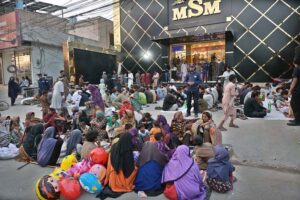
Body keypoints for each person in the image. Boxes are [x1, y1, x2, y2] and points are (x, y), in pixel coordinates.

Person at [98, 133, 137, 199]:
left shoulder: (114, 146)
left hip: (112, 174)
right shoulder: (127, 149)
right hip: (120, 176)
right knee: (136, 168)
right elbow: (129, 168)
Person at [287, 46, 300, 126]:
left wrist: (290, 90)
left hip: (297, 91)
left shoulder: (296, 69)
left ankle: (297, 120)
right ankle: (297, 119)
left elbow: (294, 81)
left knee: (294, 104)